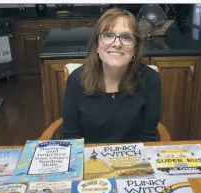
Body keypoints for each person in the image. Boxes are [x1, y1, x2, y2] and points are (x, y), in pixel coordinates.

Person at [62, 8, 161, 143]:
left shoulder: (151, 80)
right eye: (108, 35)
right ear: (97, 45)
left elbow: (148, 138)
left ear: (135, 49)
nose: (116, 44)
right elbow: (70, 137)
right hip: (89, 160)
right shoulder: (76, 79)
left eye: (126, 37)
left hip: (133, 160)